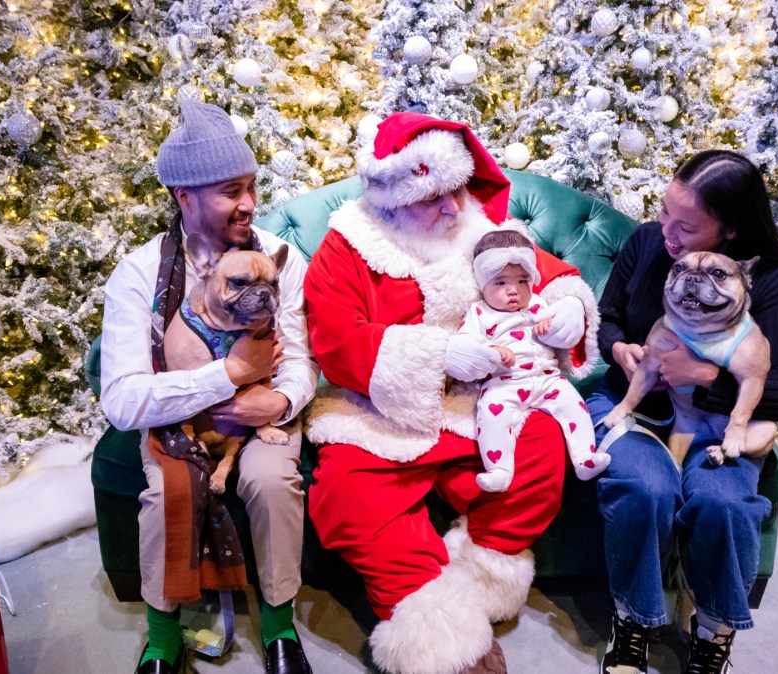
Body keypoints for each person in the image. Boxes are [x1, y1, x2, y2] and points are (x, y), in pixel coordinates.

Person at [302, 112, 601, 674]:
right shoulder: (348, 247)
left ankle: (484, 570)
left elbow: (549, 274)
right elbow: (336, 341)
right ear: (390, 201)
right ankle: (436, 623)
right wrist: (436, 355)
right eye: (432, 198)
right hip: (380, 412)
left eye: (458, 190)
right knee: (346, 495)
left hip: (481, 400)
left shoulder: (481, 227)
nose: (452, 208)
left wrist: (566, 311)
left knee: (541, 442)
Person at [100, 100, 319, 674]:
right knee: (165, 494)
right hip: (179, 424)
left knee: (275, 482)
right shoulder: (140, 273)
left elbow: (300, 356)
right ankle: (162, 635)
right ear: (184, 197)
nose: (248, 204)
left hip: (260, 416)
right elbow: (122, 401)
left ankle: (278, 627)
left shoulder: (275, 259)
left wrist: (283, 397)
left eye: (250, 186)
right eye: (230, 191)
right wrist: (227, 375)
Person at [591, 150, 778, 674]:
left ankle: (713, 631)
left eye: (686, 226)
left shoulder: (770, 280)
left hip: (718, 424)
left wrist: (706, 379)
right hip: (635, 406)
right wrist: (618, 349)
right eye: (665, 212)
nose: (667, 231)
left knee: (725, 502)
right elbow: (609, 318)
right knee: (646, 488)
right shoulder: (647, 242)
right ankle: (634, 620)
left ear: (731, 231)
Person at [461, 229, 609, 492]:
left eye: (522, 281)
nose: (514, 291)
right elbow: (465, 344)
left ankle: (584, 458)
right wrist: (491, 350)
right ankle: (499, 470)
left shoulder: (538, 304)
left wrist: (550, 327)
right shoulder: (478, 313)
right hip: (504, 383)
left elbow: (560, 333)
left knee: (574, 405)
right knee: (492, 414)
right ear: (482, 285)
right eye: (500, 283)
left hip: (547, 379)